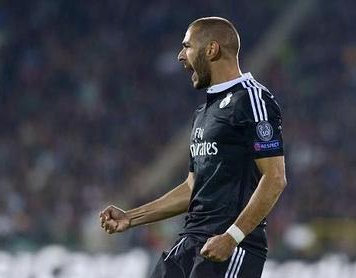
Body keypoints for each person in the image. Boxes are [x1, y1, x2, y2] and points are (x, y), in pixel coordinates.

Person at [100, 16, 287, 278]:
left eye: (187, 46)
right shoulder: (202, 113)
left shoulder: (252, 99)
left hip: (231, 247)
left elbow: (275, 178)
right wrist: (131, 217)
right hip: (189, 243)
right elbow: (192, 187)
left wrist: (232, 237)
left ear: (211, 49)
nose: (180, 56)